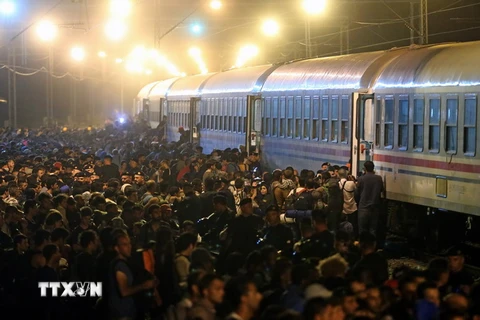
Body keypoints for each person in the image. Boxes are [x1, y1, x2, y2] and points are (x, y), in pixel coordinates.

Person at [108, 231, 157, 320]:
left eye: (129, 243)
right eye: (124, 244)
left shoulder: (123, 263)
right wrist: (144, 285)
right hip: (123, 313)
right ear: (117, 248)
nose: (129, 247)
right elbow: (124, 291)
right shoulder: (120, 266)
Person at [354, 161, 384, 236]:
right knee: (373, 229)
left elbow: (357, 193)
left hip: (363, 207)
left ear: (364, 169)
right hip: (375, 207)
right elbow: (381, 190)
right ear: (373, 168)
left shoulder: (361, 179)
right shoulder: (379, 179)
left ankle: (363, 246)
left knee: (362, 230)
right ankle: (372, 246)